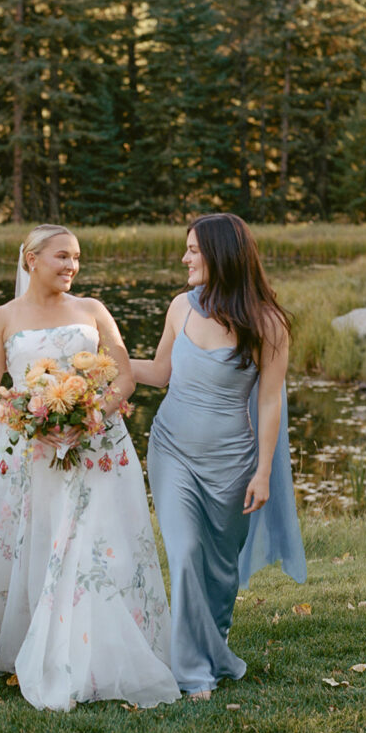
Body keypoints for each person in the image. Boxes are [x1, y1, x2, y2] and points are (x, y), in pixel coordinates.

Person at [0, 224, 180, 711]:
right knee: (37, 535)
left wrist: (89, 417)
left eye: (77, 258)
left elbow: (123, 377)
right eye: (62, 256)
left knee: (94, 541)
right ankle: (30, 631)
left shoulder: (93, 311)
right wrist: (25, 421)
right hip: (27, 447)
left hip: (95, 444)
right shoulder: (1, 317)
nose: (71, 266)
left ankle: (94, 642)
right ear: (31, 260)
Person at [132, 214, 306, 700]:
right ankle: (192, 672)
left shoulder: (268, 324)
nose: (185, 258)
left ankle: (215, 644)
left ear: (221, 254)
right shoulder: (179, 309)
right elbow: (161, 372)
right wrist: (104, 360)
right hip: (172, 451)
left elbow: (270, 401)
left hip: (233, 460)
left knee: (221, 567)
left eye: (193, 249)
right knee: (186, 554)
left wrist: (264, 471)